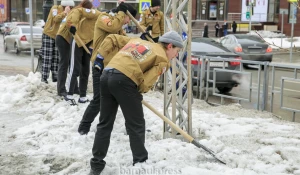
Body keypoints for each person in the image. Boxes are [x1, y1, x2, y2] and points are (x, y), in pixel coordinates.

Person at [88, 30, 183, 175]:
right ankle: (140, 162)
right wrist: (137, 93)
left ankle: (96, 164)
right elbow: (146, 82)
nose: (176, 55)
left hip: (106, 75)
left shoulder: (136, 41)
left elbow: (112, 37)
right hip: (124, 81)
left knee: (104, 123)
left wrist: (100, 56)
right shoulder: (163, 58)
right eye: (177, 51)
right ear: (169, 46)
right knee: (136, 124)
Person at [77, 2, 137, 134]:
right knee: (99, 100)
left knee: (124, 98)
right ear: (125, 15)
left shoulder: (119, 27)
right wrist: (122, 13)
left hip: (114, 67)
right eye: (128, 19)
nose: (127, 22)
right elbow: (112, 27)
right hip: (100, 65)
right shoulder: (104, 18)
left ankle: (132, 128)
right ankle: (83, 127)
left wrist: (140, 41)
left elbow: (125, 42)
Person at [64, 1, 102, 105]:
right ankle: (69, 95)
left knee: (85, 70)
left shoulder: (97, 15)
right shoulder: (78, 12)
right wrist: (72, 26)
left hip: (88, 44)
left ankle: (83, 96)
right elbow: (72, 20)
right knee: (75, 69)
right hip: (77, 41)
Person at [56, 0, 93, 98]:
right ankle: (61, 89)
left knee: (72, 64)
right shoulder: (77, 12)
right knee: (64, 64)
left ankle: (75, 88)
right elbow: (71, 24)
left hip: (69, 39)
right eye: (88, 9)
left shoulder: (80, 12)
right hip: (63, 38)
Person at [40, 0, 73, 84]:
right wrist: (65, 13)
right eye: (70, 7)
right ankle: (44, 78)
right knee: (48, 57)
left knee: (56, 57)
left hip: (58, 36)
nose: (71, 9)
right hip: (49, 34)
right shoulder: (55, 8)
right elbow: (55, 19)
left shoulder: (70, 13)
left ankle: (55, 77)